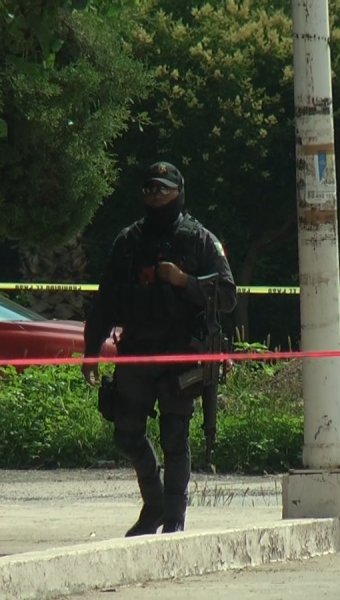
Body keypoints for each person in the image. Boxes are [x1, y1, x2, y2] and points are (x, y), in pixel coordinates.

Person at [81, 161, 237, 536]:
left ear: (178, 192)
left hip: (180, 354)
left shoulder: (199, 239)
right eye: (150, 189)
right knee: (127, 432)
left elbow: (227, 294)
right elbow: (104, 300)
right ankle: (154, 506)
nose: (155, 195)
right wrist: (91, 350)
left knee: (174, 438)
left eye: (163, 189)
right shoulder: (128, 241)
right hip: (136, 350)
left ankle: (174, 519)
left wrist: (185, 281)